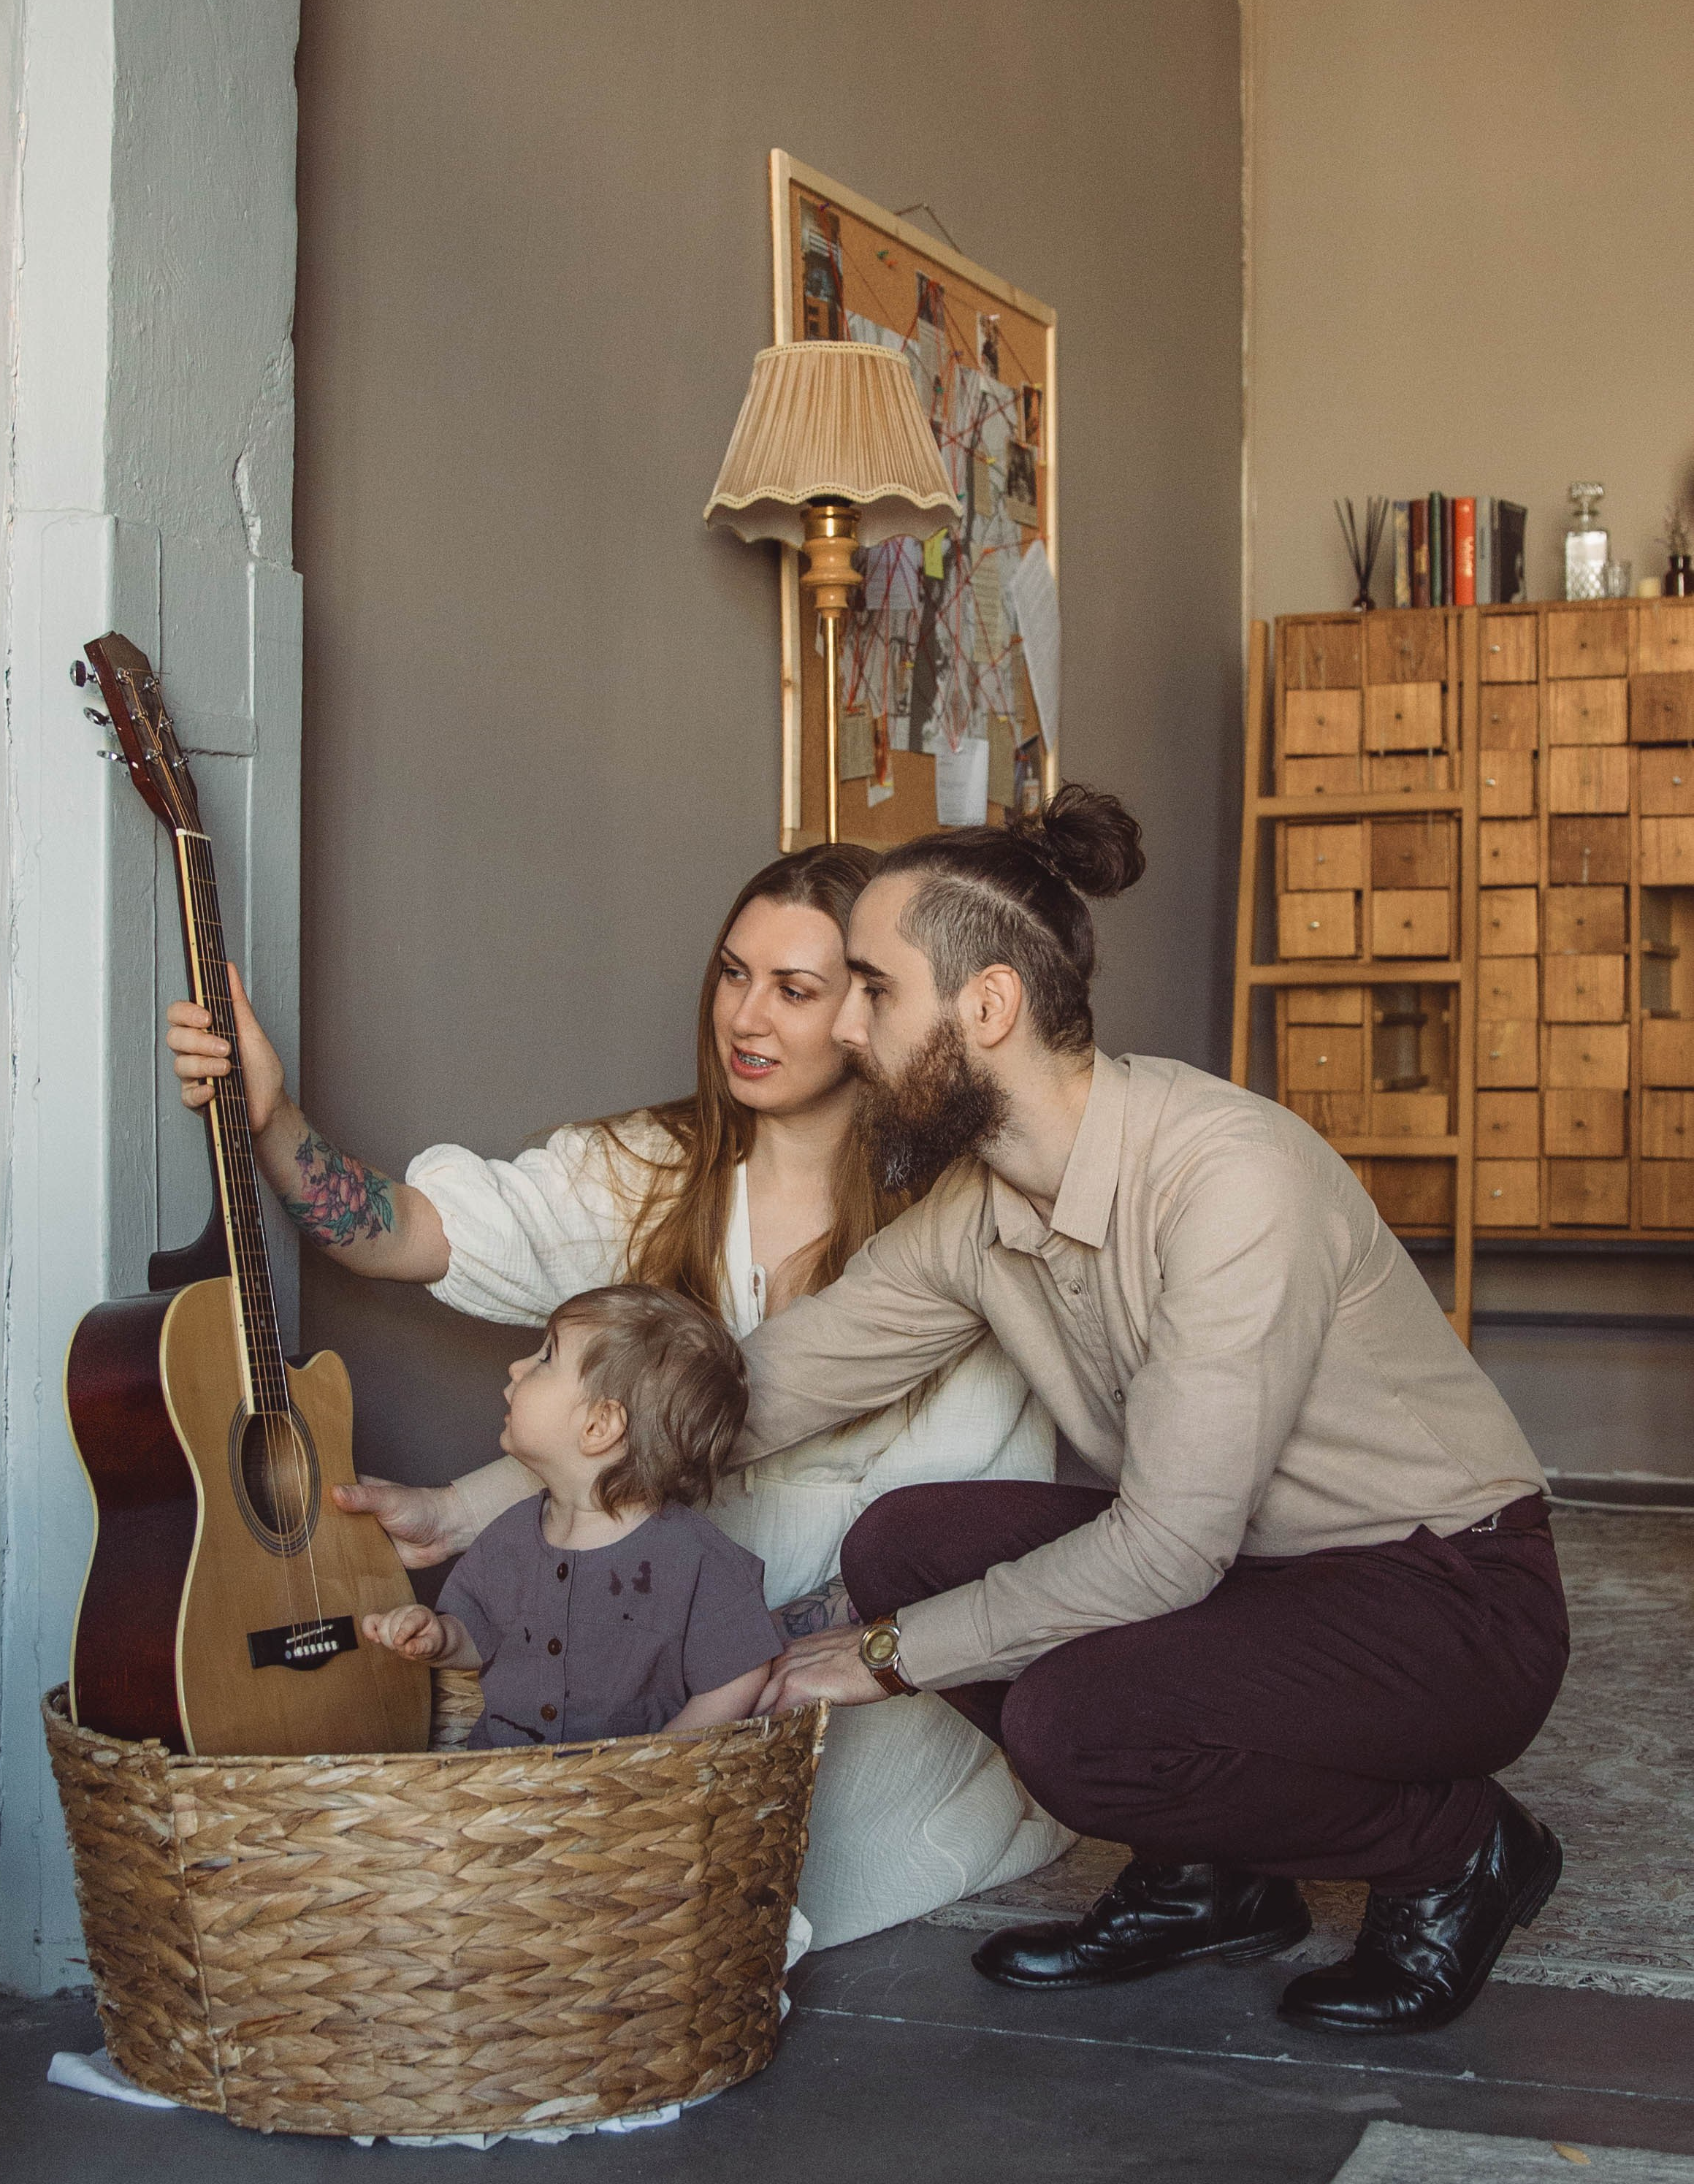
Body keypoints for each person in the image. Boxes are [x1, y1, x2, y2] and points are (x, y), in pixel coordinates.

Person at [745, 786, 1570, 2037]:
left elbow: (1171, 1545)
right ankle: (1210, 1876)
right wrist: (511, 1476)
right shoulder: (982, 1208)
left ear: (987, 1007)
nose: (848, 1028)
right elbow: (777, 1379)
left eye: (873, 987)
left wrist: (880, 1656)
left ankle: (1454, 1847)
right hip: (1265, 1579)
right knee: (901, 1546)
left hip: (1449, 1599)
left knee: (1075, 1725)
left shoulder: (1228, 1175)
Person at [164, 844, 1068, 1942]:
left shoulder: (957, 1229)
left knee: (719, 1909)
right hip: (629, 1651)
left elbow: (952, 1524)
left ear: (869, 1008)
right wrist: (270, 1118)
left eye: (795, 990)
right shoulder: (647, 1170)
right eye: (732, 974)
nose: (745, 1016)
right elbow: (402, 1233)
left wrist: (714, 1659)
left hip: (851, 1668)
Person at [365, 1285, 782, 1749]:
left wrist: (665, 1759)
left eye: (545, 1358)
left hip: (627, 1806)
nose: (517, 1367)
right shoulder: (512, 1534)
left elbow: (742, 1671)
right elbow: (480, 1632)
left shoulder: (697, 1559)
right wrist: (442, 1637)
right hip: (501, 1782)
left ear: (599, 1427)